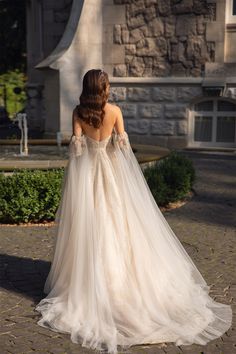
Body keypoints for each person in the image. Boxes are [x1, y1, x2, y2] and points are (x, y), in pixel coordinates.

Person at [35, 69, 232, 354]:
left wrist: (86, 145)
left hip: (89, 177)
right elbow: (123, 146)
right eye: (108, 84)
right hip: (113, 176)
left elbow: (76, 150)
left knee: (92, 225)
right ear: (103, 88)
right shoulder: (115, 111)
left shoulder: (79, 112)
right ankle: (122, 279)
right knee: (120, 222)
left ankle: (91, 278)